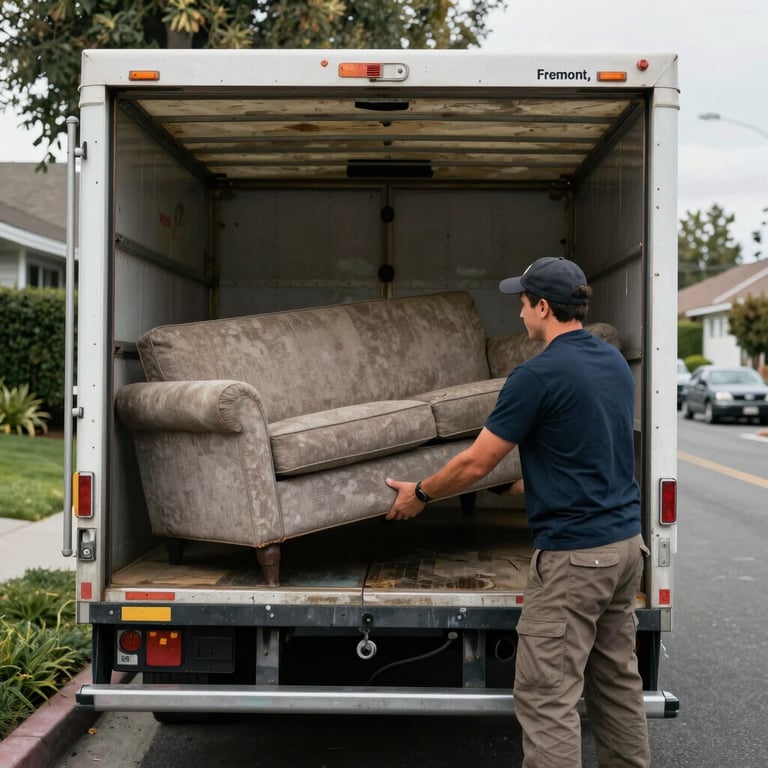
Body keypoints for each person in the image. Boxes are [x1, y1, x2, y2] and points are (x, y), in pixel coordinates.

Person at [385, 256, 650, 768]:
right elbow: (589, 451)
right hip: (623, 549)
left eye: (523, 303)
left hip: (575, 560)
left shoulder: (536, 376)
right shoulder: (612, 363)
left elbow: (473, 463)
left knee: (546, 696)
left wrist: (419, 493)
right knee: (617, 688)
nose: (520, 313)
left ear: (544, 307)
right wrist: (518, 488)